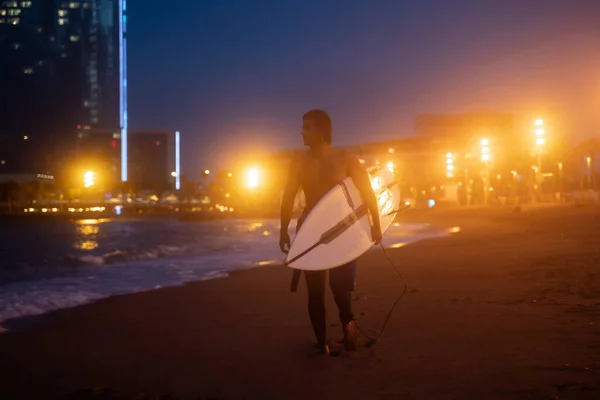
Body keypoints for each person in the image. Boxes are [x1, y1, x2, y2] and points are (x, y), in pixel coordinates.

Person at [279, 109, 383, 355]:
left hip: (342, 233)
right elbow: (288, 196)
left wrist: (375, 223)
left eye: (307, 127)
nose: (301, 132)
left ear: (322, 131)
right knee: (315, 293)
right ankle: (322, 342)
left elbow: (367, 191)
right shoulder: (299, 161)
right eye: (302, 126)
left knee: (341, 291)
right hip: (310, 231)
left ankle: (349, 330)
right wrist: (283, 230)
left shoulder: (345, 158)